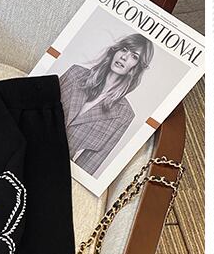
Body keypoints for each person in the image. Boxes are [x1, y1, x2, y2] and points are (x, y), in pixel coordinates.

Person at [59, 32, 153, 176]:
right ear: (115, 51)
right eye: (124, 49)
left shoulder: (124, 115)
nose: (124, 57)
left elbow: (88, 166)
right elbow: (37, 106)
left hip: (56, 167)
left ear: (137, 67)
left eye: (134, 56)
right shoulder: (75, 74)